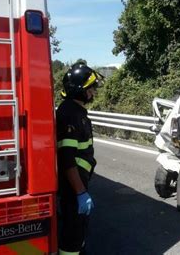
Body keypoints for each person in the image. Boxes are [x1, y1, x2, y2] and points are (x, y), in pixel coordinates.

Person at [56, 63, 103, 254]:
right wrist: (80, 192)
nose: (92, 92)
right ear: (79, 89)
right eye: (90, 88)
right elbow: (67, 158)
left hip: (78, 184)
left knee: (79, 231)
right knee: (73, 235)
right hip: (73, 188)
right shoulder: (69, 114)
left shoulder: (76, 111)